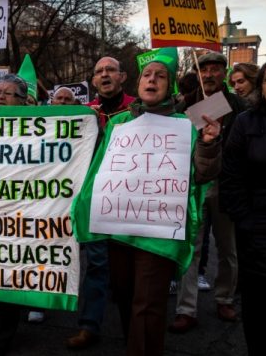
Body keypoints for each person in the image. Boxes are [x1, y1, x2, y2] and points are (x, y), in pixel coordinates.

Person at [73, 48, 221, 356]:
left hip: (159, 235)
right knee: (127, 299)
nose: (152, 79)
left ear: (170, 86)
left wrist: (208, 144)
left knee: (148, 307)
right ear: (139, 83)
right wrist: (85, 210)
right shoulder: (118, 125)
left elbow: (203, 175)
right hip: (120, 229)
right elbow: (100, 170)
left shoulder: (185, 125)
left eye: (160, 76)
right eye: (147, 75)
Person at [168, 52, 247, 333]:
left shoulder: (239, 105)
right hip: (194, 184)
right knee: (192, 246)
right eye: (205, 69)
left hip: (227, 185)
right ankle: (186, 308)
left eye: (215, 69)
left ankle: (225, 298)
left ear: (224, 73)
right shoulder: (185, 103)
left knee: (228, 248)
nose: (210, 74)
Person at [221, 58, 266, 355]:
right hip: (257, 235)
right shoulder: (245, 123)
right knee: (259, 322)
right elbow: (231, 178)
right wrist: (245, 222)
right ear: (261, 86)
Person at [66, 55, 135, 350]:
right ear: (93, 81)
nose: (105, 74)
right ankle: (89, 326)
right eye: (99, 71)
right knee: (96, 264)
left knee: (129, 269)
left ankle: (135, 331)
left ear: (122, 77)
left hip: (132, 202)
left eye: (110, 70)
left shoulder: (139, 108)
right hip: (94, 200)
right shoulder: (84, 114)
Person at [0, 73, 31, 356]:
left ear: (24, 102)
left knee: (9, 270)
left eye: (7, 93)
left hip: (20, 212)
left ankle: (1, 336)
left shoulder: (38, 129)